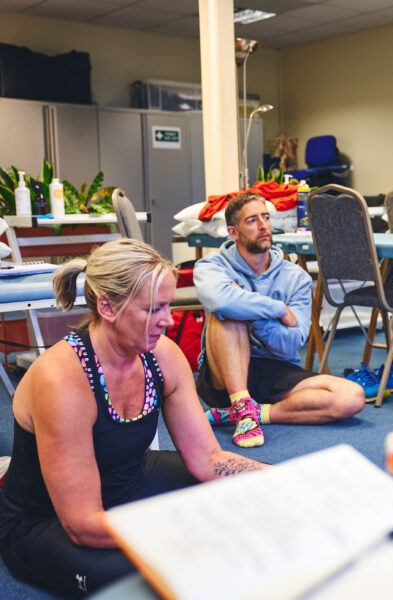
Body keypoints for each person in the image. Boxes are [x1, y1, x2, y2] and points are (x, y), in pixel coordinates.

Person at [0, 239, 267, 597]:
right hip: (48, 521)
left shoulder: (163, 356)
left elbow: (209, 459)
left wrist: (288, 482)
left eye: (168, 305)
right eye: (154, 309)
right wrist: (193, 529)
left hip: (131, 481)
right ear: (108, 306)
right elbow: (82, 524)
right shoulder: (63, 380)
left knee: (246, 500)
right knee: (166, 576)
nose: (168, 320)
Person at [193, 192, 364, 449]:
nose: (263, 226)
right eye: (252, 220)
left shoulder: (295, 277)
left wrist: (253, 313)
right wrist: (277, 309)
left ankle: (253, 412)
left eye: (266, 217)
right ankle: (240, 404)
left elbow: (291, 343)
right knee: (228, 314)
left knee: (351, 397)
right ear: (233, 232)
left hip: (276, 368)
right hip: (224, 375)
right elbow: (222, 302)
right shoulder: (212, 266)